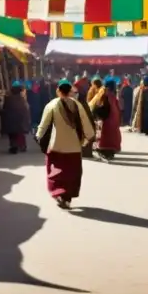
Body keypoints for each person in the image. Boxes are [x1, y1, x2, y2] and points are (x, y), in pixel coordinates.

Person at [36, 80, 95, 209]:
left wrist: (38, 136)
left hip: (56, 144)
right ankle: (67, 198)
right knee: (72, 173)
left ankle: (59, 193)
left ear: (58, 91)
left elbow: (44, 124)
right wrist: (88, 138)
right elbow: (85, 123)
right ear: (70, 92)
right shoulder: (77, 105)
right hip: (74, 146)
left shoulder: (52, 105)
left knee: (56, 171)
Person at [90, 77, 122, 159]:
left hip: (107, 120)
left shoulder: (104, 94)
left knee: (105, 138)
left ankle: (105, 152)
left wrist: (96, 115)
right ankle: (109, 153)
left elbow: (98, 106)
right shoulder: (113, 96)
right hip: (113, 120)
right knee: (112, 137)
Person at [0, 81, 31, 154]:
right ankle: (22, 146)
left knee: (12, 135)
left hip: (10, 121)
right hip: (20, 121)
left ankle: (14, 146)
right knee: (20, 134)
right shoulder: (22, 99)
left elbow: (5, 108)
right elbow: (25, 110)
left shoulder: (8, 99)